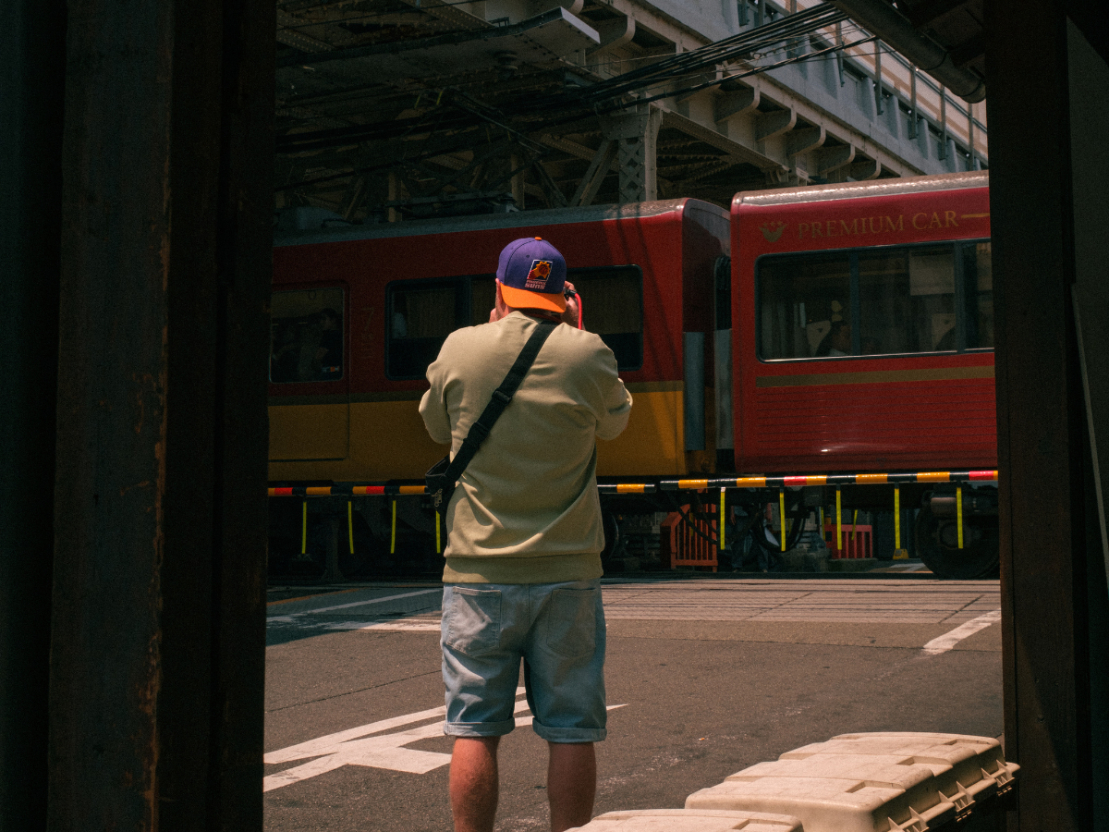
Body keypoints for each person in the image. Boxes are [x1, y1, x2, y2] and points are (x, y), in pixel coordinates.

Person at [419, 237, 633, 832]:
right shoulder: (589, 353)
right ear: (563, 296)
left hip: (477, 574)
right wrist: (578, 332)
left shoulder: (461, 347)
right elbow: (616, 424)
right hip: (568, 575)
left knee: (473, 729)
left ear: (499, 292)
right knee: (570, 730)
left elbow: (437, 423)